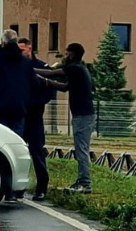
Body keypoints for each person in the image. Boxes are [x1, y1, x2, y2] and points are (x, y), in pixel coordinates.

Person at [36, 42, 96, 194]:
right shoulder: (80, 69)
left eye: (67, 52)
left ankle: (85, 183)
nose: (65, 55)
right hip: (83, 115)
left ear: (73, 54)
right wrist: (46, 83)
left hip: (83, 116)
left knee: (81, 150)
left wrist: (30, 71)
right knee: (81, 149)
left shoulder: (74, 68)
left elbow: (53, 73)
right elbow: (64, 87)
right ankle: (82, 180)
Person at [18, 38, 56, 201]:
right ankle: (18, 186)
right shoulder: (17, 67)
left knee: (37, 151)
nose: (20, 53)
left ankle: (42, 187)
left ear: (29, 49)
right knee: (18, 151)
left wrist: (33, 102)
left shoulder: (41, 67)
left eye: (22, 50)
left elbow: (49, 92)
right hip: (19, 115)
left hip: (34, 115)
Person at [0, 30, 35, 137]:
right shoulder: (26, 63)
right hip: (18, 108)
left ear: (3, 43)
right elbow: (33, 84)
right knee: (15, 141)